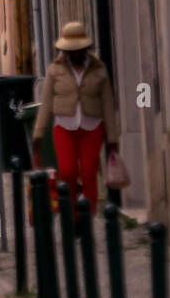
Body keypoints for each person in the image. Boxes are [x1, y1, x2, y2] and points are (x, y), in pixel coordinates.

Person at [32, 21, 121, 216]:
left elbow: (108, 104)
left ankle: (88, 215)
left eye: (79, 50)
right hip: (64, 127)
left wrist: (112, 139)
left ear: (86, 49)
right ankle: (71, 216)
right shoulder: (55, 70)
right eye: (71, 51)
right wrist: (38, 133)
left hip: (92, 127)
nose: (76, 55)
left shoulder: (99, 69)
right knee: (67, 171)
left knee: (89, 172)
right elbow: (46, 103)